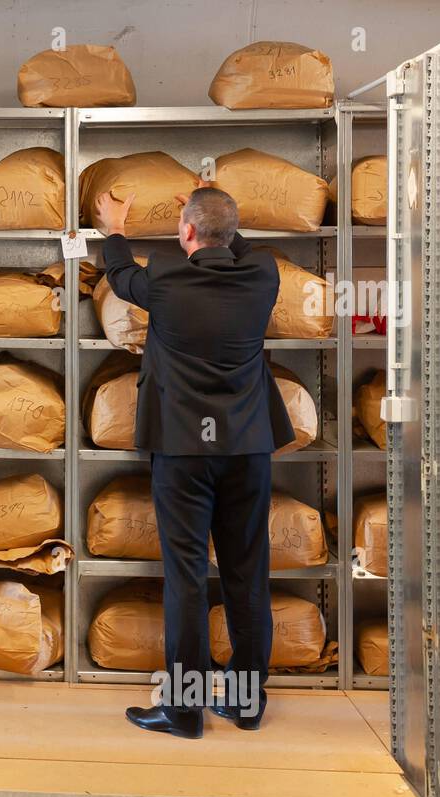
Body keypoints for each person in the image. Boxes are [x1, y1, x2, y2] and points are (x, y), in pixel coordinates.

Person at [96, 187, 295, 739]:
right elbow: (238, 245)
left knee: (186, 577)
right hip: (247, 448)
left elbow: (117, 273)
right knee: (246, 574)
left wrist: (114, 226)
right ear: (232, 235)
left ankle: (184, 712)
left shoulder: (164, 278)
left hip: (183, 452)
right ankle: (247, 705)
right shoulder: (263, 276)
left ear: (184, 234)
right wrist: (217, 219)